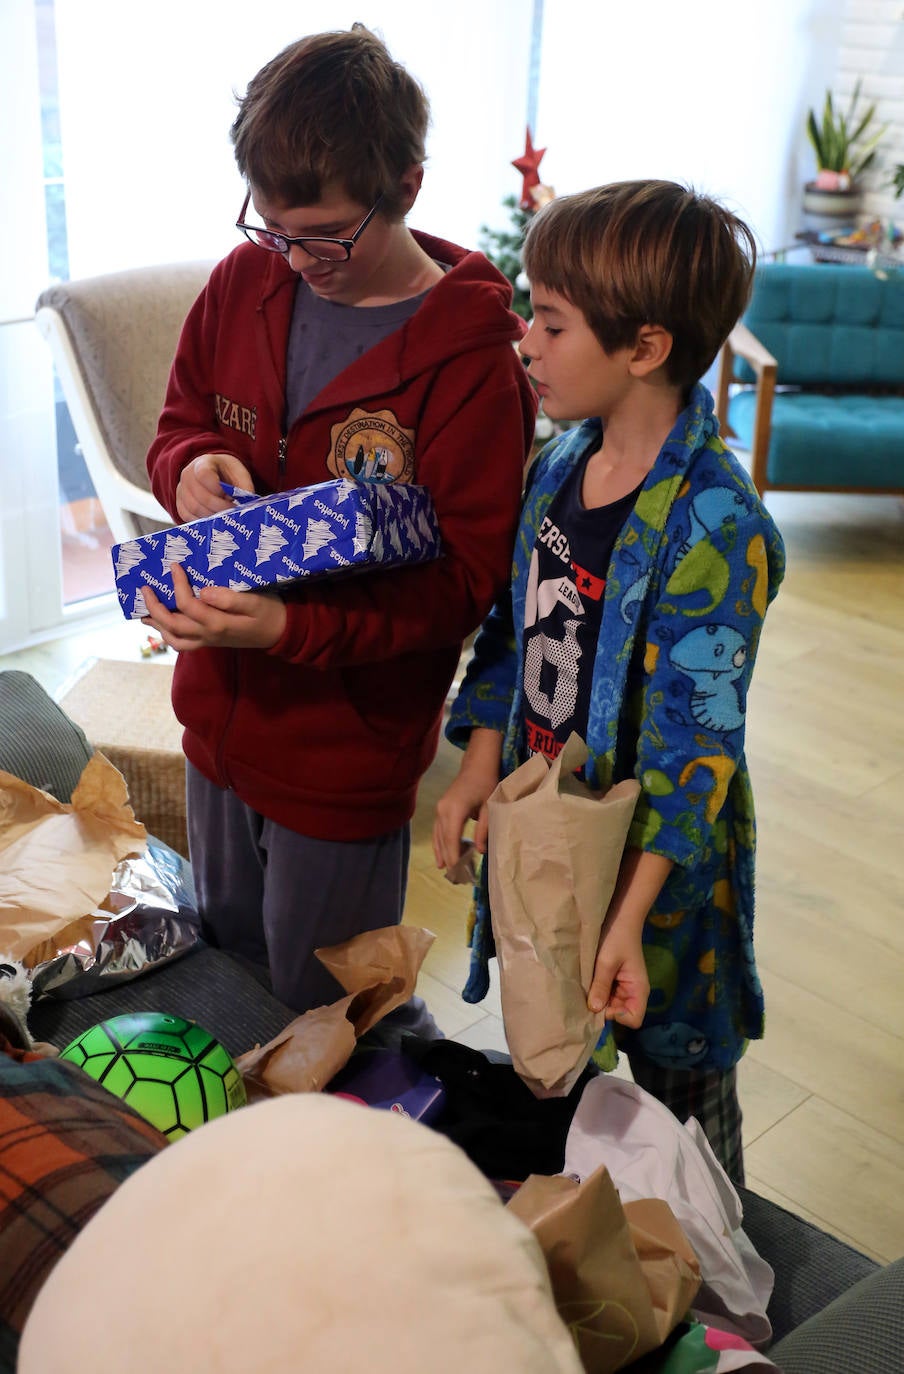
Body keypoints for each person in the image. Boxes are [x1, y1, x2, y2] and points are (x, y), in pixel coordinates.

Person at [140, 26, 537, 1019]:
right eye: (270, 229)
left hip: (344, 754)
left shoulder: (472, 361)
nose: (295, 259)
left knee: (330, 1025)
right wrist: (189, 469)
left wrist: (289, 629)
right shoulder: (245, 282)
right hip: (216, 727)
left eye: (323, 237)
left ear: (404, 186)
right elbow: (179, 423)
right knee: (226, 992)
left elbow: (460, 589)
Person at [433, 181, 786, 1181]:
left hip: (660, 899)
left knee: (680, 1130)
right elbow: (511, 634)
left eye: (549, 323)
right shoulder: (557, 469)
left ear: (645, 348)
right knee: (568, 1086)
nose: (525, 344)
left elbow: (693, 751)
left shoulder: (716, 527)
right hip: (553, 844)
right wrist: (474, 776)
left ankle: (713, 1308)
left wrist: (624, 925)